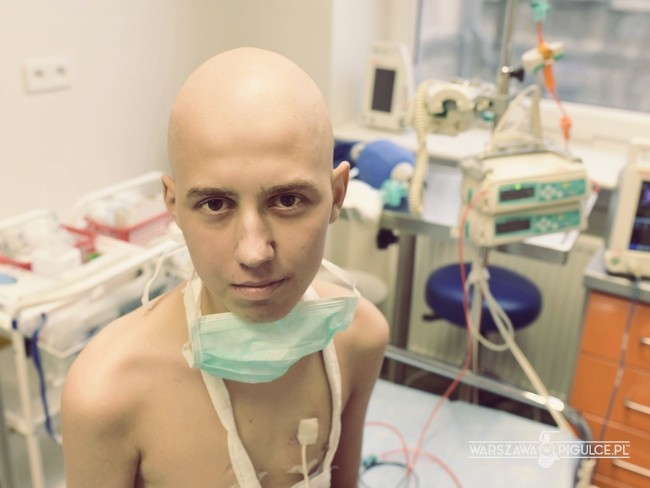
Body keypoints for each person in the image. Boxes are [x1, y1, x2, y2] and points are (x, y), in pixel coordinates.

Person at [61, 47, 389, 487]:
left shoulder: (360, 338)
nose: (254, 253)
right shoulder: (106, 391)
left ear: (337, 195)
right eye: (215, 204)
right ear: (174, 206)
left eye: (287, 200)